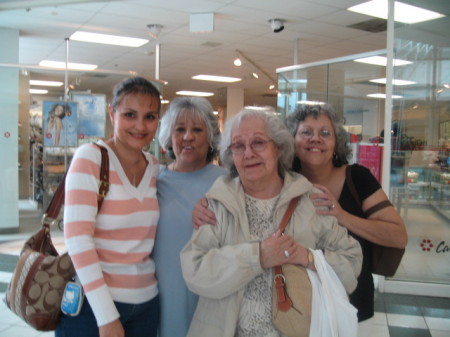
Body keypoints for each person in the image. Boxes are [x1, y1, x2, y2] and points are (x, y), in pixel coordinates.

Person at [181, 108, 362, 337]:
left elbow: (351, 261)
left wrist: (308, 258)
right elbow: (195, 271)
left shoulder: (310, 200)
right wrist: (257, 256)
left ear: (278, 148)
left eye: (258, 143)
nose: (248, 153)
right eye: (238, 146)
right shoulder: (218, 204)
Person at [284, 104, 407, 336]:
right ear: (292, 140)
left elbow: (398, 235)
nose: (315, 139)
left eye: (325, 133)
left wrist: (342, 216)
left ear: (336, 143)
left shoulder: (357, 178)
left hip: (355, 304)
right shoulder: (281, 182)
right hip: (296, 305)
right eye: (306, 132)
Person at [56, 76, 162, 337]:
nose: (140, 125)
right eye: (130, 114)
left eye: (150, 116)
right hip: (94, 308)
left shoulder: (155, 168)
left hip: (147, 304)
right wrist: (107, 317)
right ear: (112, 114)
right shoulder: (90, 158)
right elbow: (78, 240)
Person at [152, 97, 227, 337]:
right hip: (160, 294)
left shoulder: (227, 182)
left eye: (197, 129)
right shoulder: (153, 180)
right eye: (180, 129)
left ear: (210, 136)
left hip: (210, 296)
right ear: (168, 136)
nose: (188, 137)